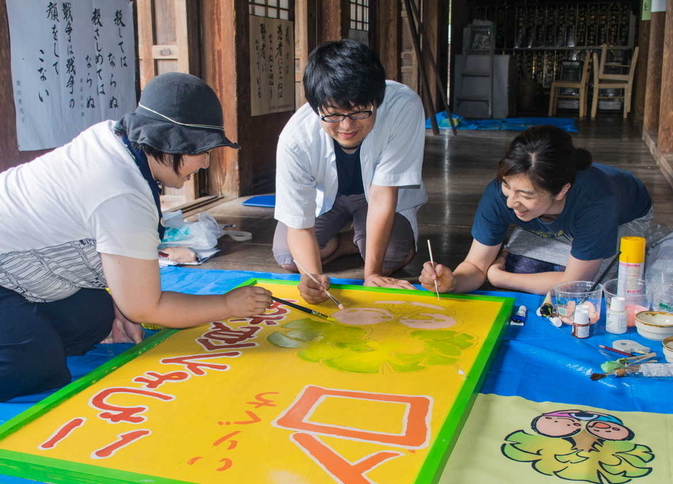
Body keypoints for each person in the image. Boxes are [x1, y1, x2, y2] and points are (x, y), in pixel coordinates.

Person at [0, 72, 272, 401]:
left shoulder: (117, 142)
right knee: (30, 369)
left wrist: (124, 301)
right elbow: (145, 308)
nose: (205, 160)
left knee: (93, 314)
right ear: (171, 143)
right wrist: (225, 304)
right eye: (200, 149)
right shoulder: (120, 190)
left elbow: (119, 281)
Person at [273, 39, 426, 304]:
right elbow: (298, 221)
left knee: (392, 257)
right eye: (333, 115)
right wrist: (312, 278)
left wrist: (373, 274)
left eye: (358, 112)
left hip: (375, 198)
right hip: (327, 201)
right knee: (289, 259)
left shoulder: (403, 106)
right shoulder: (295, 138)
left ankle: (355, 239)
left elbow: (381, 196)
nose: (346, 126)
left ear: (377, 100)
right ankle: (352, 240)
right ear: (315, 106)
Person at [419, 125, 653, 296]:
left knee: (603, 288)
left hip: (626, 219)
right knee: (527, 269)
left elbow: (572, 285)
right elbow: (476, 265)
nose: (511, 202)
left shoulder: (596, 201)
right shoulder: (501, 194)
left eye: (526, 194)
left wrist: (500, 277)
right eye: (507, 186)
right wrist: (453, 282)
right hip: (548, 217)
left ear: (562, 191)